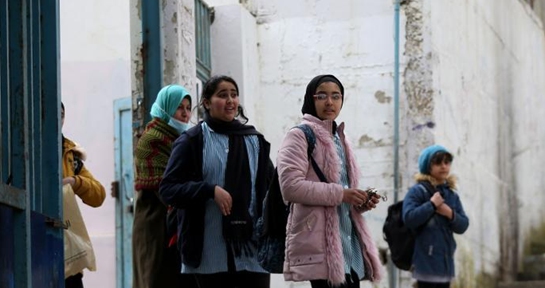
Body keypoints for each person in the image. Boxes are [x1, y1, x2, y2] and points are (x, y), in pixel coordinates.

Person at [160, 75, 273, 288]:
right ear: (206, 102)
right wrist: (208, 191)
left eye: (234, 94)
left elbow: (271, 190)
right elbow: (168, 189)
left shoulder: (255, 141)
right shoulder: (192, 141)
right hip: (209, 253)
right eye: (222, 95)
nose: (230, 100)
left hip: (252, 251)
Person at [277, 74, 383, 288]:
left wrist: (358, 201)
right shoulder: (299, 136)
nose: (330, 102)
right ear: (311, 99)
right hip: (319, 241)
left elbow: (343, 190)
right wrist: (342, 194)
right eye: (322, 96)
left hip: (348, 243)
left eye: (336, 96)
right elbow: (290, 187)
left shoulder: (341, 137)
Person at [132, 85, 193, 288]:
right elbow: (167, 189)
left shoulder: (185, 141)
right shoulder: (152, 140)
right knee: (156, 278)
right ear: (166, 108)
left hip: (177, 224)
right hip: (155, 226)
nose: (185, 114)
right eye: (179, 107)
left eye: (188, 108)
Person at [401, 144, 469, 288]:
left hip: (446, 266)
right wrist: (431, 205)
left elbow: (463, 225)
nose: (444, 166)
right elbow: (409, 218)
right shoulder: (417, 192)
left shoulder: (451, 195)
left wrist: (449, 213)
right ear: (428, 166)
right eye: (438, 162)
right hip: (425, 266)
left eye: (447, 162)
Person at [61, 102, 106, 288]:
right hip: (37, 240)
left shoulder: (69, 153)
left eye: (62, 114)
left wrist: (75, 182)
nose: (58, 119)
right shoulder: (25, 146)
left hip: (67, 242)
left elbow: (98, 195)